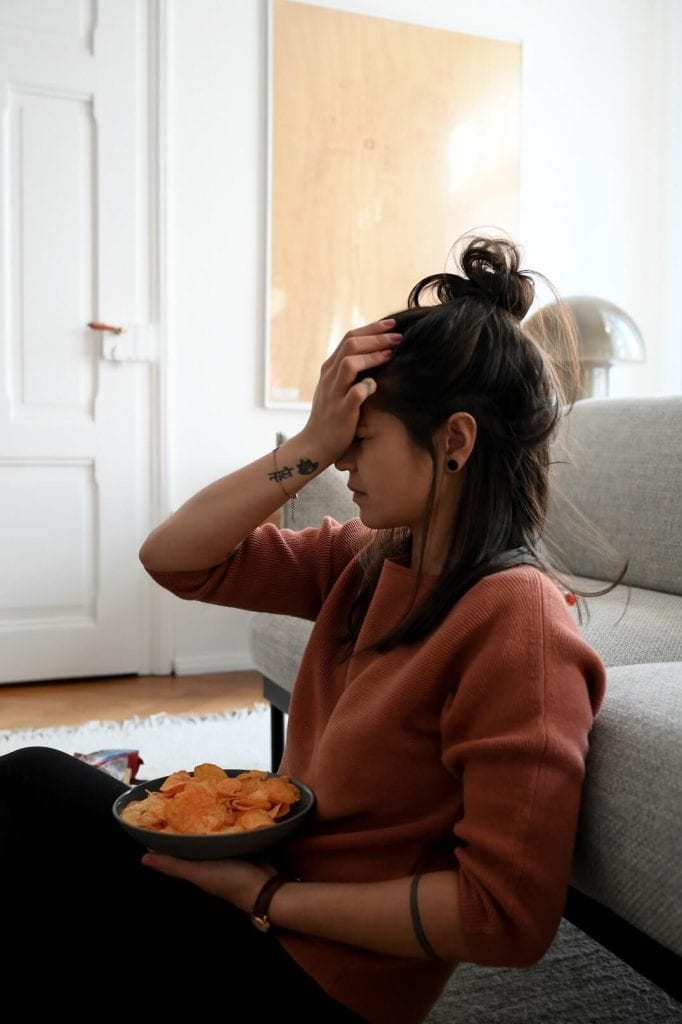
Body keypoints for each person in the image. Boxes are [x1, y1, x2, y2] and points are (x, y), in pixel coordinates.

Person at [0, 236, 606, 1023]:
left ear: (455, 442)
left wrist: (266, 895)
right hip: (264, 894)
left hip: (320, 979)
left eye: (360, 442)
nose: (342, 466)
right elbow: (173, 560)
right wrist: (309, 445)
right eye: (338, 445)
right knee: (33, 782)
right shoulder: (369, 562)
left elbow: (506, 917)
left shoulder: (517, 624)